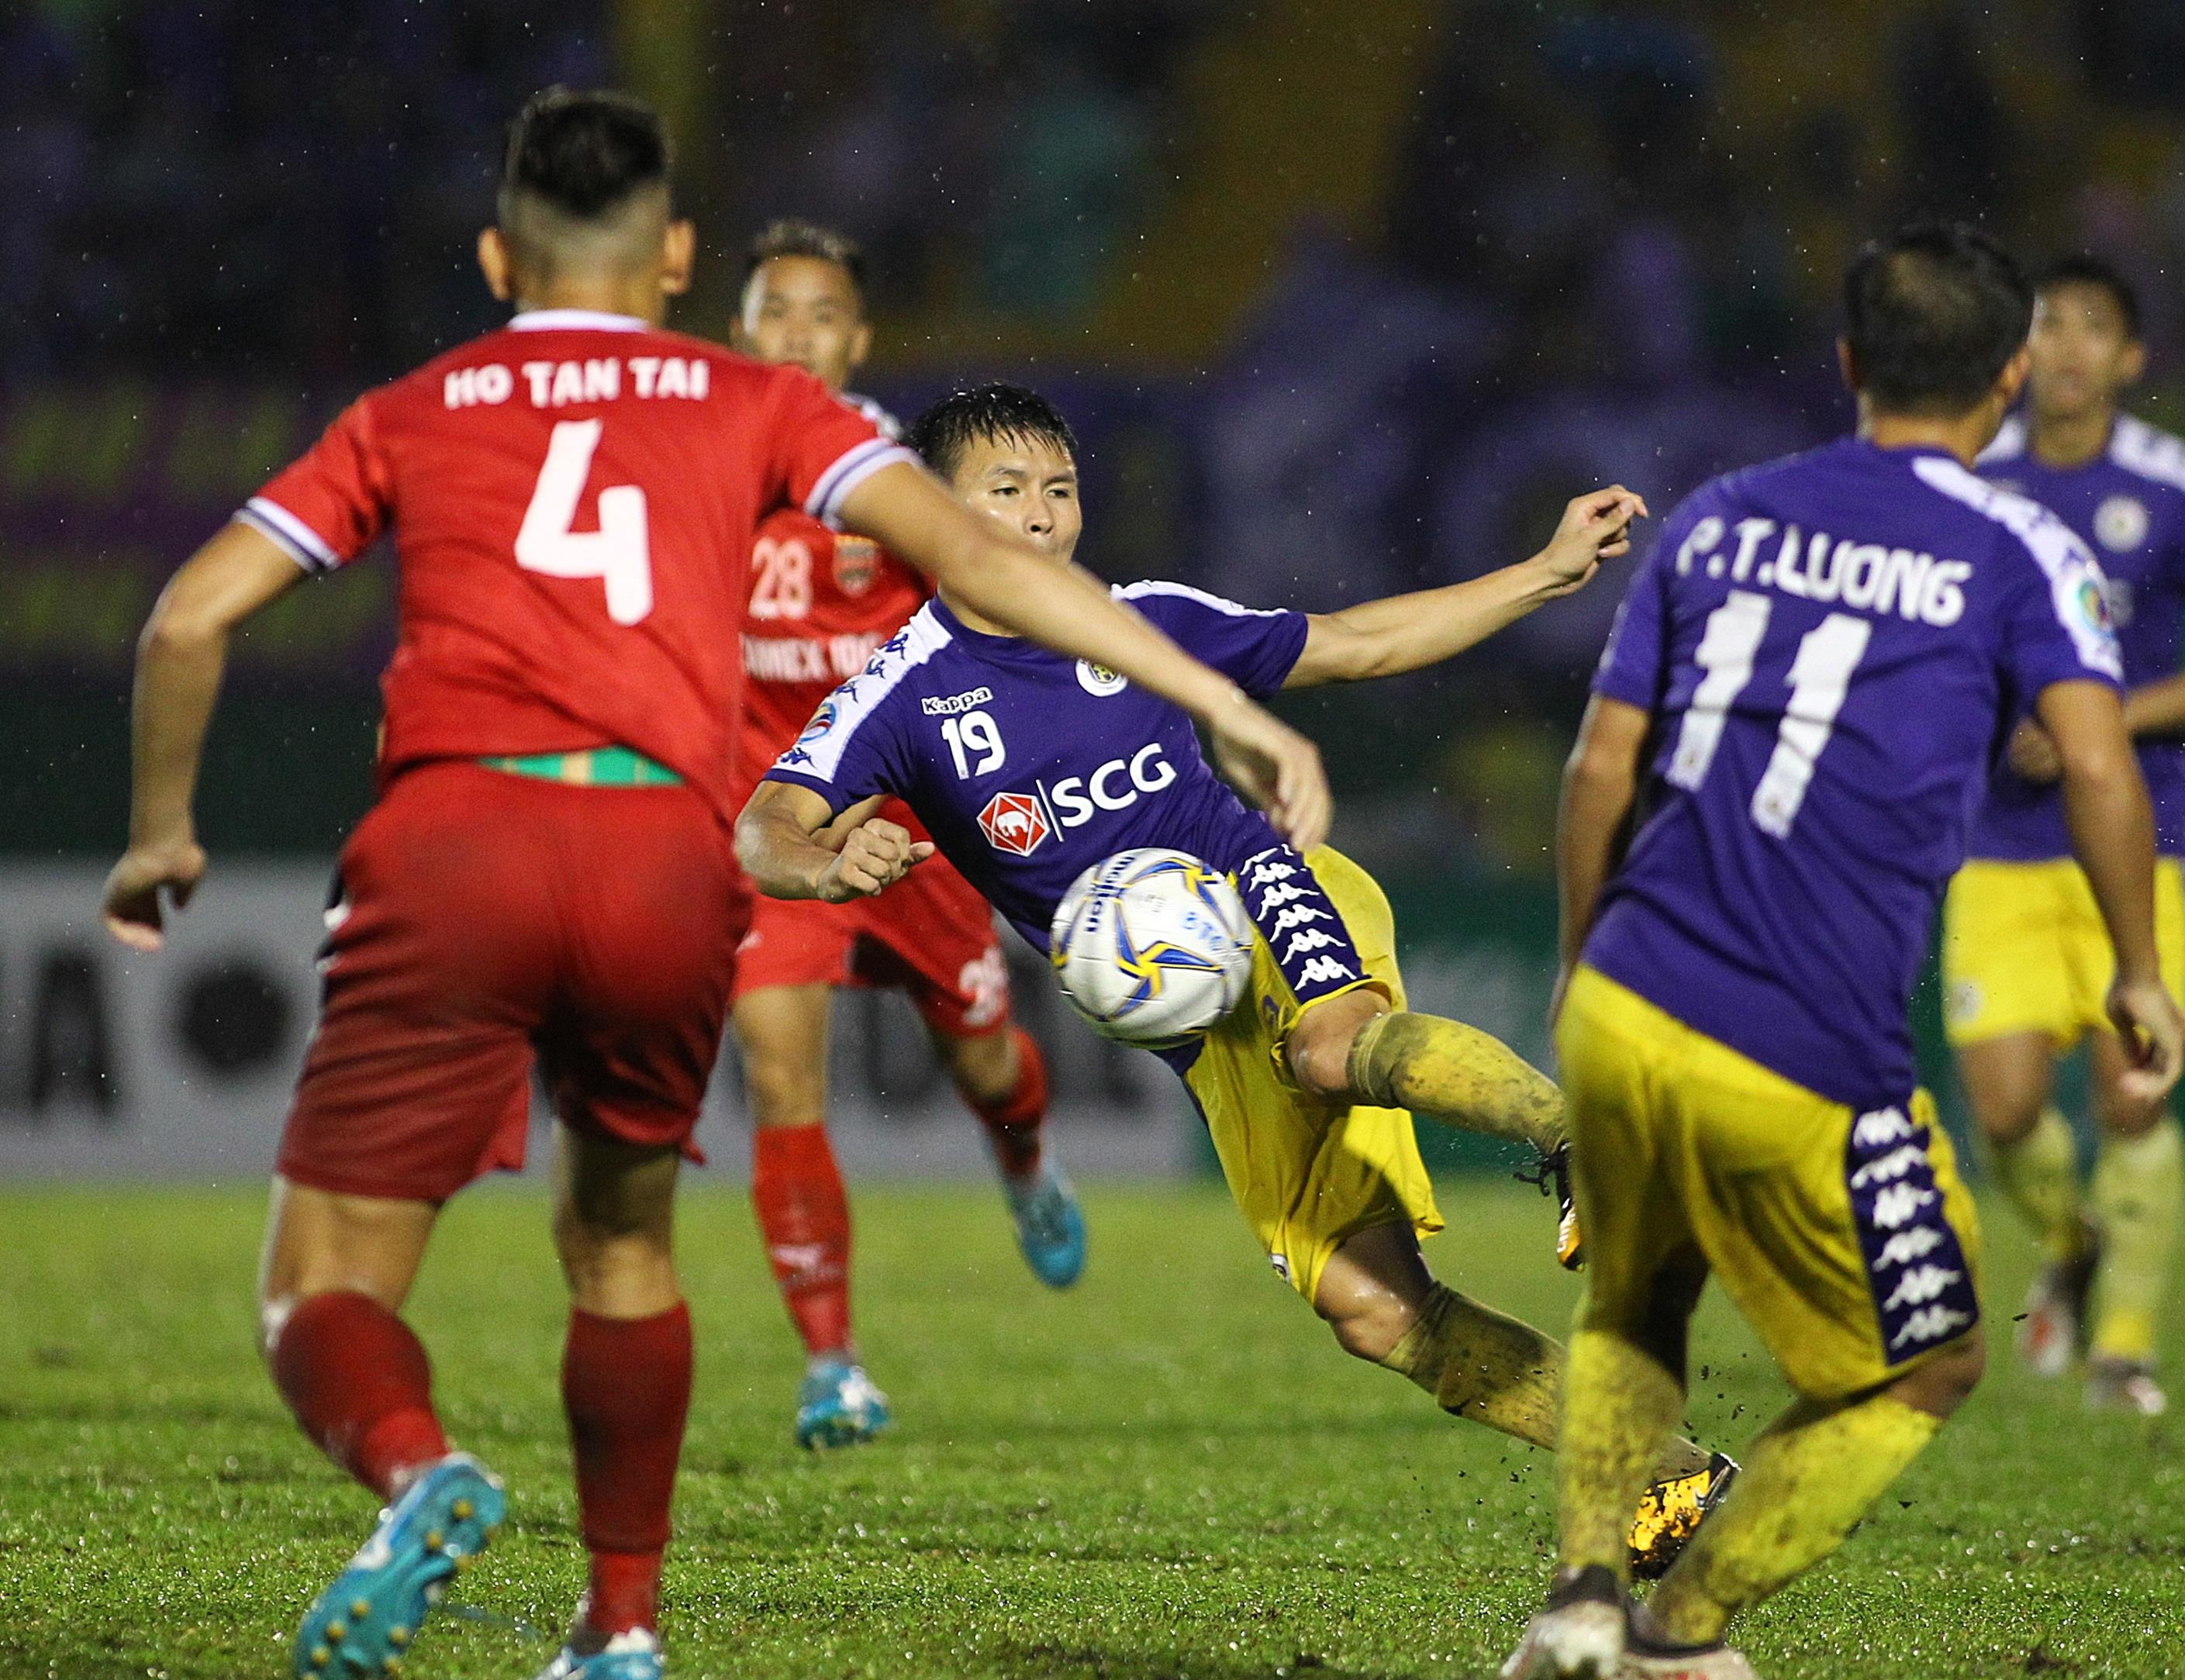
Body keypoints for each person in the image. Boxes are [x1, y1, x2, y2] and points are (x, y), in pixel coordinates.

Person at [97, 91, 1334, 1680]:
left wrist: (161, 834)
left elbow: (188, 621)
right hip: (671, 853)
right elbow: (988, 562)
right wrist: (1222, 698)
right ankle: (624, 1624)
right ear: (680, 259)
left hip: (469, 835)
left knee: (322, 1285)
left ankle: (418, 1467)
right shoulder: (755, 405)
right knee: (624, 1246)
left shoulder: (415, 407)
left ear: (497, 259)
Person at [736, 383, 1738, 1580]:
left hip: (1267, 884)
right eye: (1006, 492)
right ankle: (1664, 1471)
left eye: (1060, 490)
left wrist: (1544, 573)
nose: (1043, 517)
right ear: (929, 514)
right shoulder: (902, 694)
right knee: (1373, 1310)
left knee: (1330, 1045)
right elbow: (764, 826)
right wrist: (825, 863)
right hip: (1197, 1032)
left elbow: (1354, 642)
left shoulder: (1142, 620)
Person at [1517, 226, 2185, 1680]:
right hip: (1802, 1029)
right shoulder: (2021, 550)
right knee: (1931, 1362)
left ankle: (1577, 1601)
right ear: (2008, 380)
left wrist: (1579, 963)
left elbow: (1599, 766)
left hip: (1626, 987)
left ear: (1849, 363)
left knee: (1637, 1293)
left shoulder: (1722, 515)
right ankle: (1679, 1635)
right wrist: (2139, 970)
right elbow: (2098, 764)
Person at [724, 220, 1083, 1453]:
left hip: (912, 820)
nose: (798, 336)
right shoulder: (695, 477)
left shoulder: (895, 478)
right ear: (739, 332)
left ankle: (1025, 1163)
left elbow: (988, 615)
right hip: (778, 822)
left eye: (822, 315)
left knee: (986, 1064)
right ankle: (833, 1366)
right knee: (780, 1073)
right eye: (776, 313)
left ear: (858, 338)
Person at [1946, 254, 2185, 1415]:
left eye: (2094, 327)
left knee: (2133, 1093)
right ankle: (2074, 1243)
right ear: (2018, 353)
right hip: (1995, 840)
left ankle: (2123, 1353)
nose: (2068, 347)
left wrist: (2106, 718)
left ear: (2131, 358)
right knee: (2004, 1112)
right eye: (2048, 325)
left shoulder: (2178, 486)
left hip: (2138, 834)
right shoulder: (1974, 478)